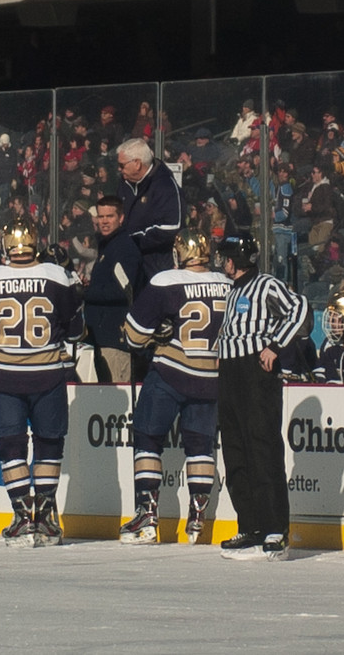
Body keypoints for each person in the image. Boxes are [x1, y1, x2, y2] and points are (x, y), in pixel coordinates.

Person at [0, 217, 84, 548]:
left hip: (4, 373)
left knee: (11, 446)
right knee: (48, 443)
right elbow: (76, 327)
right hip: (47, 372)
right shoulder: (57, 274)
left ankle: (23, 517)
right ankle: (47, 518)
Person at [119, 229, 232, 545]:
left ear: (181, 253)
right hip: (211, 378)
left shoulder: (166, 281)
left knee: (147, 438)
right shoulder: (228, 284)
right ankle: (197, 520)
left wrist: (155, 336)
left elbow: (133, 336)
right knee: (200, 447)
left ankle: (147, 517)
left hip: (171, 371)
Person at [215, 233, 308, 561]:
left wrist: (276, 346)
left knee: (262, 447)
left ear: (235, 260)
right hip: (229, 372)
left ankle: (274, 528)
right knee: (235, 449)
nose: (222, 262)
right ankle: (250, 525)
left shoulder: (266, 285)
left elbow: (299, 308)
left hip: (255, 372)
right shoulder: (232, 292)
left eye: (225, 257)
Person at [82, 195, 141, 383]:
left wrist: (86, 293)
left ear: (121, 218)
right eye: (101, 217)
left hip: (115, 340)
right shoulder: (107, 246)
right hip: (100, 338)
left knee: (116, 398)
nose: (104, 221)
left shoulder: (124, 248)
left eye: (110, 216)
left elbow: (123, 291)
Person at [116, 137, 184, 282]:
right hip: (129, 262)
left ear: (137, 164)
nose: (119, 169)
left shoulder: (165, 185)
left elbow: (170, 227)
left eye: (122, 165)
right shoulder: (124, 182)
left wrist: (133, 241)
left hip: (157, 266)